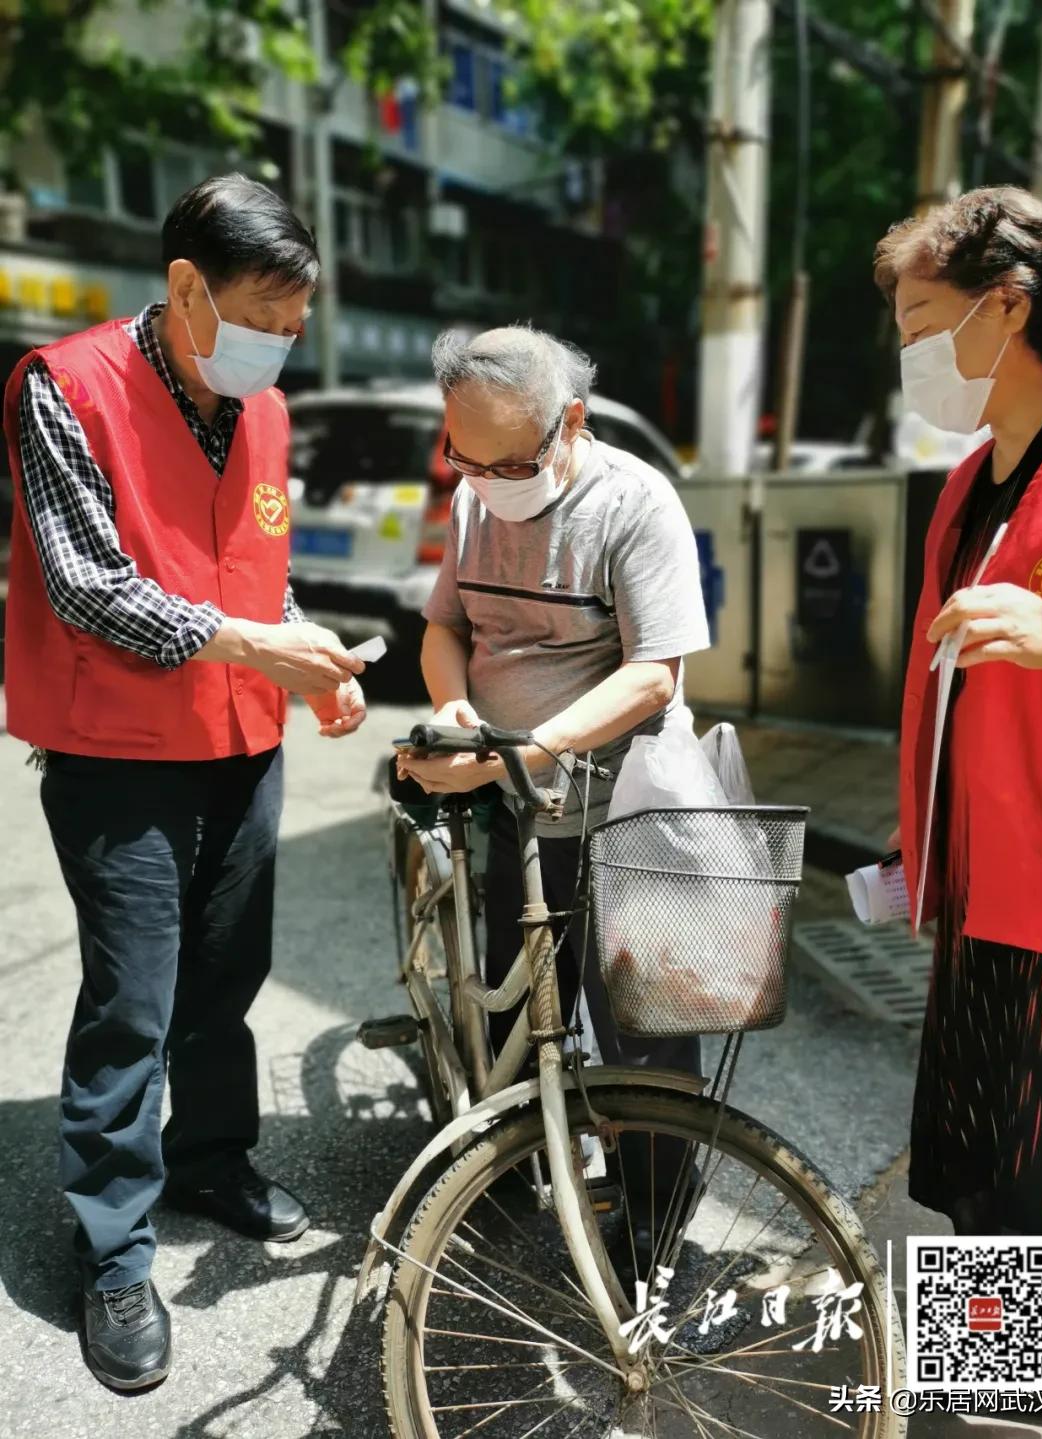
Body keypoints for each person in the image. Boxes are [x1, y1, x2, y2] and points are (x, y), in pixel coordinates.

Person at [3, 173, 367, 1391]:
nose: (281, 342)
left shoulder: (259, 407)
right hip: (118, 754)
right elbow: (88, 586)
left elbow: (260, 571)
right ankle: (113, 1244)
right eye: (266, 313)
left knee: (228, 975)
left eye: (296, 322)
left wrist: (308, 656)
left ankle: (211, 1157)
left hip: (243, 739)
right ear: (185, 289)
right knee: (134, 1000)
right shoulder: (66, 387)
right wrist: (256, 642)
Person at [397, 324, 711, 1251]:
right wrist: (457, 712)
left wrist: (513, 751)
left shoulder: (635, 503)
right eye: (463, 455)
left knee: (644, 1043)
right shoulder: (472, 500)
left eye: (506, 460)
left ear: (570, 423)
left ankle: (652, 1232)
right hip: (517, 804)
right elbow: (445, 626)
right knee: (521, 995)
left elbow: (656, 672)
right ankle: (508, 1163)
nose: (483, 479)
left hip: (627, 817)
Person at [875, 185, 1042, 1400]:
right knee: (974, 1154)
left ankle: (1000, 1394)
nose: (906, 354)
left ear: (1005, 309)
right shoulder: (971, 476)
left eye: (917, 321)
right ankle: (984, 1385)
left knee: (1035, 1166)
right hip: (981, 876)